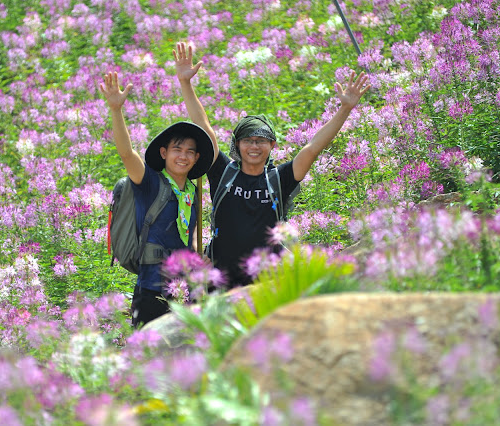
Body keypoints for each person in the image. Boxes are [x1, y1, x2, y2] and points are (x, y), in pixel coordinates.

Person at [173, 42, 371, 288]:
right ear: (237, 144)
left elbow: (312, 147)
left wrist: (345, 109)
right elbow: (204, 126)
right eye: (247, 140)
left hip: (269, 283)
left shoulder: (280, 178)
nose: (254, 146)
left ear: (272, 145)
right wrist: (185, 83)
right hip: (220, 278)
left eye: (261, 141)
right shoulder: (223, 171)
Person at [99, 71, 214, 326]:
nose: (183, 156)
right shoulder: (150, 183)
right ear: (163, 153)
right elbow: (127, 154)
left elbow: (185, 239)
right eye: (177, 149)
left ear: (196, 159)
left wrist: (198, 259)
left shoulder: (192, 193)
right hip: (151, 291)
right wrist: (116, 110)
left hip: (186, 294)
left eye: (189, 152)